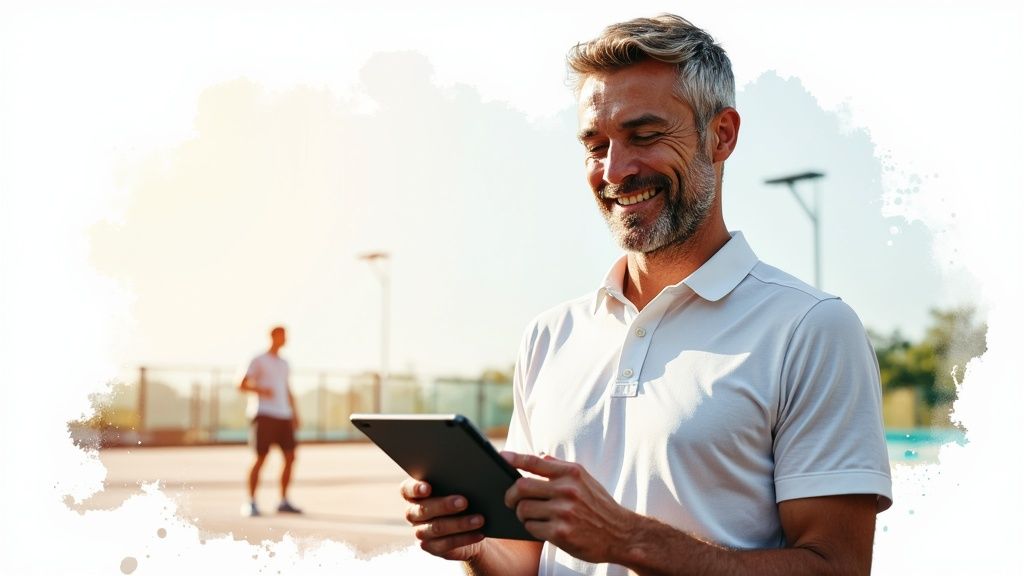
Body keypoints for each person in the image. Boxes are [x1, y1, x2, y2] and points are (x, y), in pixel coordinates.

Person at [399, 13, 893, 576]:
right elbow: (527, 560)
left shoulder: (811, 329)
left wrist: (631, 540)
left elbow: (838, 567)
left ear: (721, 135)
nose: (615, 170)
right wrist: (474, 548)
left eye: (645, 135)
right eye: (596, 144)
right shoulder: (550, 335)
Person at [239, 325, 302, 516]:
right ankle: (251, 502)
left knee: (290, 457)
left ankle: (283, 501)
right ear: (273, 336)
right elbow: (241, 384)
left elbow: (287, 389)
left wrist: (294, 413)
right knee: (260, 457)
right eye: (282, 336)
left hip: (284, 415)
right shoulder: (258, 360)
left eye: (286, 336)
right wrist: (262, 391)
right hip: (264, 414)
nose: (285, 339)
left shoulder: (285, 363)